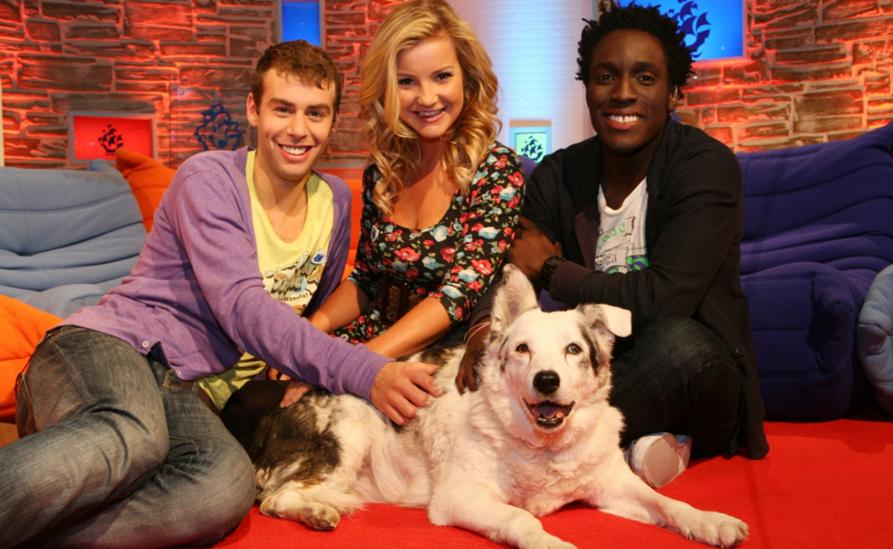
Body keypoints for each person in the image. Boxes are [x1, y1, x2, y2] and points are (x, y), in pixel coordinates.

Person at [0, 40, 442, 549]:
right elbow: (245, 309)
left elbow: (313, 312)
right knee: (132, 436)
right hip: (110, 347)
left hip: (182, 389)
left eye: (315, 113)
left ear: (332, 121)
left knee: (223, 487)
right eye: (283, 109)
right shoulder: (209, 177)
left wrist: (326, 363)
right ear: (254, 110)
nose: (299, 130)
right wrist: (367, 371)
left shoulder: (336, 201)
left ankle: (33, 530)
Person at [458, 3, 769, 488]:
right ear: (586, 86)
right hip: (585, 366)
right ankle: (635, 447)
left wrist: (554, 269)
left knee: (680, 343)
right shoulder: (559, 174)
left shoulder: (706, 168)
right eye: (606, 76)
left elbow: (665, 300)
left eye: (645, 78)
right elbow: (510, 269)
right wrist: (482, 332)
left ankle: (526, 456)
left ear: (673, 92)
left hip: (693, 370)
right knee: (526, 361)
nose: (623, 93)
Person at [222, 0, 524, 428]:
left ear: (467, 78)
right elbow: (364, 278)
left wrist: (353, 365)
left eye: (441, 76)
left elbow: (458, 295)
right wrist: (311, 336)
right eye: (406, 81)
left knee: (302, 422)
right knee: (249, 406)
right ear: (387, 88)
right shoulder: (384, 170)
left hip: (444, 352)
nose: (426, 97)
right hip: (372, 335)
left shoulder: (496, 170)